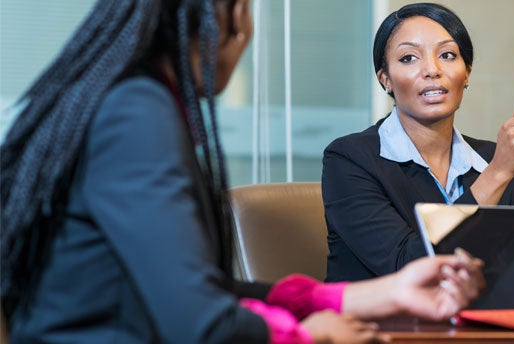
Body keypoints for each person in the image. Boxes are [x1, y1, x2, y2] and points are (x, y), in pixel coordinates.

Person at [0, 1, 484, 343]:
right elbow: (199, 322)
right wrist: (304, 336)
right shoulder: (137, 114)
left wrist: (373, 295)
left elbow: (203, 290)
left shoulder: (132, 100)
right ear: (228, 14)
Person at [322, 2, 514, 283]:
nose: (431, 70)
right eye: (408, 58)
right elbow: (407, 267)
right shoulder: (349, 159)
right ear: (386, 79)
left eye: (447, 55)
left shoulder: (491, 156)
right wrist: (499, 172)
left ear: (466, 73)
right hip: (381, 325)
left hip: (479, 325)